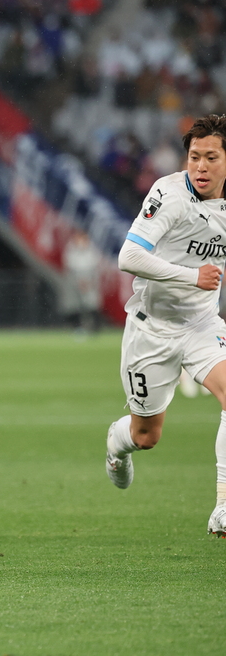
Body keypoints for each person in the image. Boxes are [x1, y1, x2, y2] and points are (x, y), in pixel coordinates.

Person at [104, 113, 226, 537]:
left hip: (202, 324)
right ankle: (116, 444)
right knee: (147, 435)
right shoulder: (169, 194)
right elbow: (129, 257)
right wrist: (192, 276)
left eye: (211, 157)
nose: (201, 167)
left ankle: (223, 507)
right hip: (152, 328)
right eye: (194, 157)